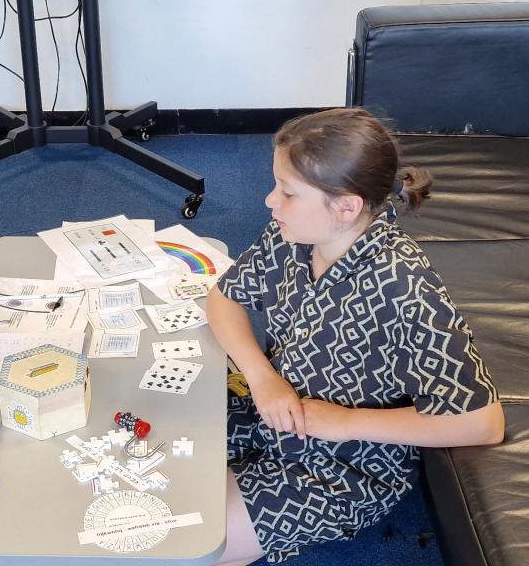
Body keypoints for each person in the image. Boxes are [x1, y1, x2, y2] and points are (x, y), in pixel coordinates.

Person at [206, 108, 505, 564]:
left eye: (286, 192)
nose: (270, 201)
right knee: (149, 459)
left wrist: (344, 422)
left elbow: (483, 422)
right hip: (275, 408)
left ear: (346, 207)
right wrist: (263, 378)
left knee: (185, 539)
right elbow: (223, 298)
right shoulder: (294, 234)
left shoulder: (405, 289)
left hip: (347, 466)